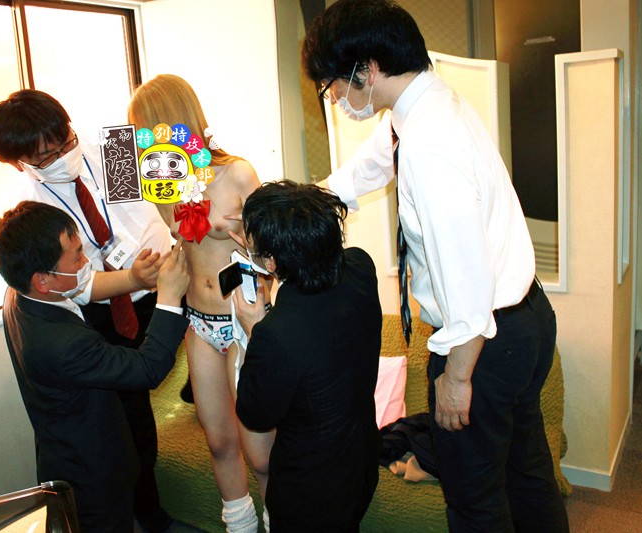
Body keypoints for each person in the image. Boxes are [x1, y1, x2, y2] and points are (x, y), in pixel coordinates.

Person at [301, 1, 569, 531]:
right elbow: (367, 169)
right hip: (525, 319)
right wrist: (298, 204)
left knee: (474, 498)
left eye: (332, 85)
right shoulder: (422, 107)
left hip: (486, 339)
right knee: (527, 472)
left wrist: (457, 378)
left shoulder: (428, 143)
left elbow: (466, 277)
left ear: (367, 69)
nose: (333, 98)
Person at [0, 90, 176, 532]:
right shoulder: (36, 212)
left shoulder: (112, 148)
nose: (62, 156)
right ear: (19, 164)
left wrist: (160, 264)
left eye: (65, 141)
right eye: (46, 156)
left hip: (158, 278)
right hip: (110, 307)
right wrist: (137, 279)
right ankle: (148, 510)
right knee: (131, 417)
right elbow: (81, 284)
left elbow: (149, 214)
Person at [127, 74, 274, 532]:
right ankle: (240, 524)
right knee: (219, 441)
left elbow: (274, 251)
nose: (139, 139)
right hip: (199, 322)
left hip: (242, 318)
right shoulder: (161, 179)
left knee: (260, 450)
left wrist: (245, 234)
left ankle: (278, 520)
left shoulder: (238, 173)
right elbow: (171, 224)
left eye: (143, 128)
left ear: (169, 121)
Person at [0, 201, 189, 532]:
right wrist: (169, 298)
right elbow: (147, 369)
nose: (86, 262)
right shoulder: (63, 345)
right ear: (43, 280)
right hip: (94, 478)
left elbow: (78, 289)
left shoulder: (19, 295)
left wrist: (135, 278)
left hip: (63, 454)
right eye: (76, 257)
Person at [231, 180, 382, 531]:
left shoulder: (276, 334)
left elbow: (255, 414)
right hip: (361, 461)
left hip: (311, 493)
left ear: (272, 261)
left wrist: (254, 330)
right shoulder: (361, 267)